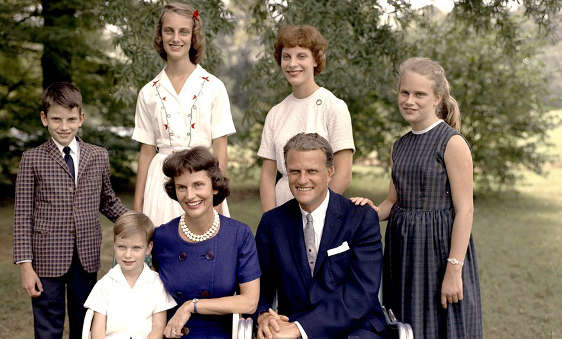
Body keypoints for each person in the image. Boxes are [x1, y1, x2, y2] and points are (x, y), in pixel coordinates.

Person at [352, 57, 482, 338]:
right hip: (403, 251)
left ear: (437, 98)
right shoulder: (400, 145)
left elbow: (465, 211)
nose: (410, 100)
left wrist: (454, 270)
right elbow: (392, 202)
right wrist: (368, 211)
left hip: (439, 252)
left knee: (442, 325)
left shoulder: (451, 142)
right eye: (405, 93)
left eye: (419, 94)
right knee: (406, 323)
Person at [13, 82, 128, 339]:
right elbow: (22, 215)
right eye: (56, 119)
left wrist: (135, 221)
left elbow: (107, 201)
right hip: (46, 259)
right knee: (47, 328)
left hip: (86, 257)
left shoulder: (98, 156)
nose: (63, 126)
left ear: (81, 119)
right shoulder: (32, 159)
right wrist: (25, 266)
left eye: (70, 119)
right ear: (44, 119)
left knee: (85, 323)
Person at [255, 133, 387, 339]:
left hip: (355, 328)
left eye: (312, 171)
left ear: (330, 171)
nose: (302, 179)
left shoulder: (360, 217)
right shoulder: (272, 223)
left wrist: (300, 328)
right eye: (295, 171)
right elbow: (260, 286)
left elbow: (360, 294)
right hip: (289, 326)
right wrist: (263, 315)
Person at [133, 2, 236, 227]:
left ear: (193, 36)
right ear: (160, 35)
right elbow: (146, 151)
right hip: (161, 183)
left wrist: (217, 195)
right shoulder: (149, 92)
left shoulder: (213, 86)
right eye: (169, 30)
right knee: (163, 252)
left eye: (183, 31)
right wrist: (138, 205)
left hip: (202, 179)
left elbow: (220, 146)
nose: (176, 38)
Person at [152, 147, 260, 338]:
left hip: (218, 333)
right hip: (171, 332)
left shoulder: (238, 234)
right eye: (182, 187)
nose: (190, 195)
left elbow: (249, 302)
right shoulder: (162, 236)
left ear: (215, 186)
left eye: (198, 185)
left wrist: (191, 306)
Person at [258, 24, 355, 212]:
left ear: (316, 60)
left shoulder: (334, 107)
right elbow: (267, 176)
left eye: (301, 56)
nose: (292, 64)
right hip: (282, 206)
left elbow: (343, 174)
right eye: (286, 57)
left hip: (321, 210)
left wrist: (315, 212)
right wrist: (271, 221)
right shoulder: (276, 113)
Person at [83, 211, 176, 339]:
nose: (128, 254)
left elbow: (158, 328)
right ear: (114, 245)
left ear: (149, 248)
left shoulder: (157, 284)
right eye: (122, 247)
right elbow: (98, 330)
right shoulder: (104, 285)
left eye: (136, 248)